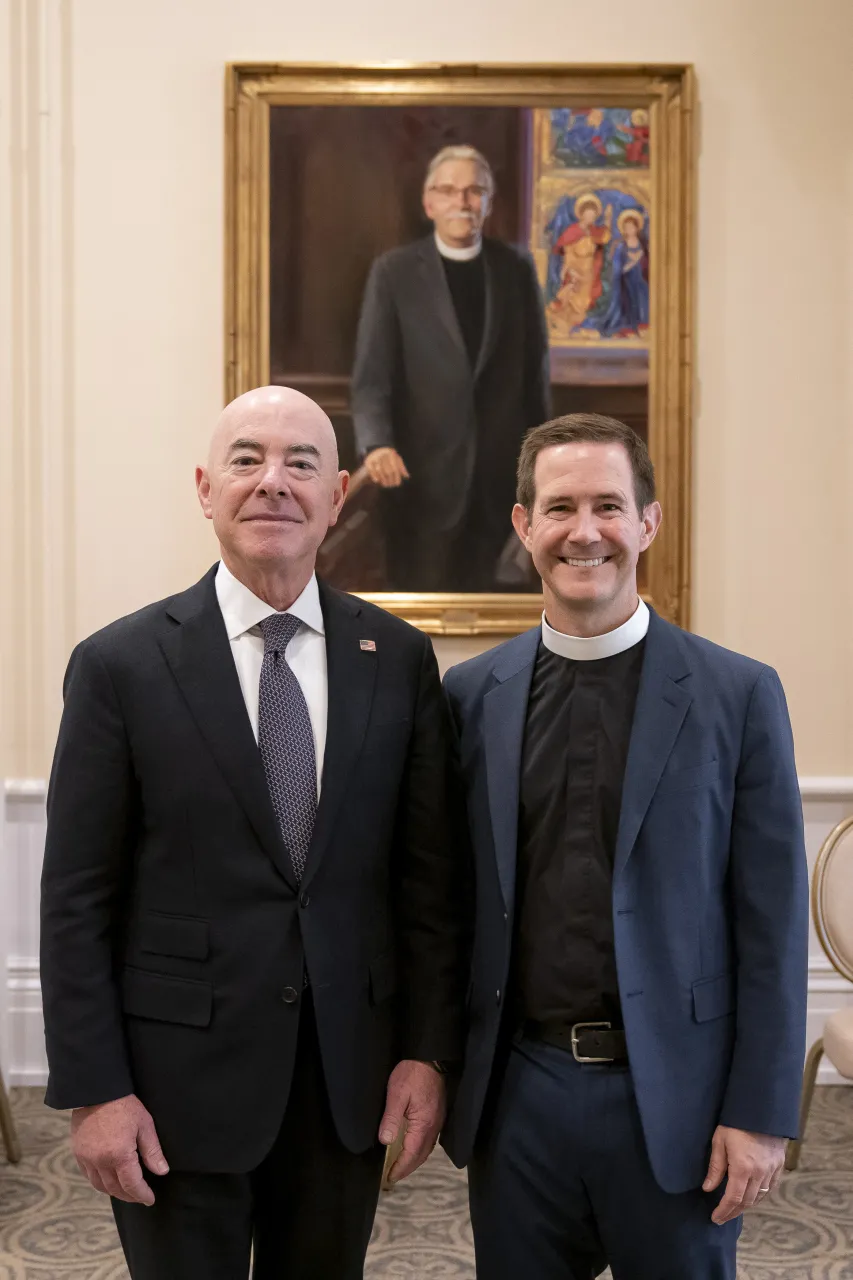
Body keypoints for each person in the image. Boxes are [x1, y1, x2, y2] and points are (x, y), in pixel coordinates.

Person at [40, 386, 466, 1280]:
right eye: (246, 460)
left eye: (301, 463)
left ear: (338, 494)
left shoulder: (395, 659)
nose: (273, 482)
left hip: (344, 1084)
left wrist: (425, 1054)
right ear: (204, 488)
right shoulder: (120, 664)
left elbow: (427, 887)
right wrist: (95, 1092)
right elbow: (77, 899)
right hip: (170, 1088)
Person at [441, 412, 809, 1279]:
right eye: (559, 507)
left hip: (679, 1103)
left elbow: (771, 922)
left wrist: (760, 1112)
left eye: (608, 505)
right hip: (517, 1096)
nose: (584, 531)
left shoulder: (738, 695)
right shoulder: (468, 696)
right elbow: (444, 907)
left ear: (647, 522)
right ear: (523, 525)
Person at [351, 144, 549, 592]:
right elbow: (371, 377)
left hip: (503, 482)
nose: (462, 202)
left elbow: (535, 381)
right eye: (448, 191)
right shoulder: (394, 273)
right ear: (429, 203)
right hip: (421, 483)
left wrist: (543, 462)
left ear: (488, 202)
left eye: (474, 191)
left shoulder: (516, 270)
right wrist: (377, 443)